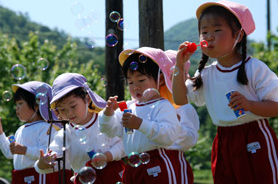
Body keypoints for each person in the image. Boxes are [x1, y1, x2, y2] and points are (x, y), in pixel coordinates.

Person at [172, 0, 278, 184]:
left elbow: (275, 108)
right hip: (223, 141)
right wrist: (179, 65)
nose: (209, 37)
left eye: (217, 30)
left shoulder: (254, 68)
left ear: (239, 35)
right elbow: (180, 99)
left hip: (255, 136)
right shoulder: (206, 74)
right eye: (204, 31)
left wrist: (250, 105)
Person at [99, 47, 194, 184]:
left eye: (141, 80)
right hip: (133, 166)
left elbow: (168, 136)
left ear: (160, 80)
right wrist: (108, 114)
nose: (135, 87)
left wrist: (140, 124)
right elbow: (110, 130)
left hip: (157, 163)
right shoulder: (129, 108)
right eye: (130, 82)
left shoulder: (163, 105)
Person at [34, 73, 125, 184]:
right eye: (62, 109)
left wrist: (107, 156)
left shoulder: (104, 121)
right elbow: (55, 162)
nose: (69, 113)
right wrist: (41, 164)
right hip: (84, 179)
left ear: (87, 99)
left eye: (73, 106)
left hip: (113, 176)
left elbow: (123, 144)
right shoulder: (64, 134)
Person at [0, 81, 62, 184]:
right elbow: (9, 153)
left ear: (37, 104)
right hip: (19, 176)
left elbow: (48, 155)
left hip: (38, 175)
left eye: (20, 103)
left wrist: (25, 150)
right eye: (16, 104)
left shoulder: (46, 128)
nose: (17, 108)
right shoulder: (20, 130)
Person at [164, 50, 200, 152]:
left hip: (172, 157)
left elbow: (189, 139)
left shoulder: (183, 107)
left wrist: (175, 125)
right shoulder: (158, 103)